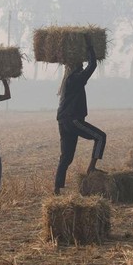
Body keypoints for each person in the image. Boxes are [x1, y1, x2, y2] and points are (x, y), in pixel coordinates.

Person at [54, 35, 107, 195]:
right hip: (73, 120)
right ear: (75, 67)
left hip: (63, 121)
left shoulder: (68, 81)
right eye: (80, 64)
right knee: (101, 137)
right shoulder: (75, 79)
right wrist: (90, 46)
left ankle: (56, 188)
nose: (82, 65)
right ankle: (91, 168)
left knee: (66, 157)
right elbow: (92, 65)